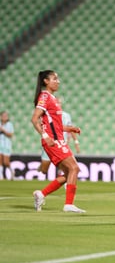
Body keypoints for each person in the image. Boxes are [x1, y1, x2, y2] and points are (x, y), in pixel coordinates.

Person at [31, 70, 85, 213]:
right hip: (53, 141)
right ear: (46, 82)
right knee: (74, 168)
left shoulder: (53, 99)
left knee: (70, 173)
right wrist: (45, 136)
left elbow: (56, 126)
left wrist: (70, 129)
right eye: (54, 79)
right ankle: (68, 204)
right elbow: (34, 119)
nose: (58, 81)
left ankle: (41, 194)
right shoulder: (44, 96)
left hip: (59, 139)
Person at [38, 97, 81, 175]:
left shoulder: (66, 115)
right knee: (44, 171)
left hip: (61, 144)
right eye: (56, 102)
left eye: (59, 102)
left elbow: (69, 128)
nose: (58, 104)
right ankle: (41, 166)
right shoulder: (47, 114)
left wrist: (76, 142)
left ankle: (66, 181)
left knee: (68, 168)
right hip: (50, 143)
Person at [0, 111, 15, 180]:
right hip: (0, 144)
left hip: (7, 145)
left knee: (6, 162)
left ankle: (12, 171)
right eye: (3, 116)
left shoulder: (9, 124)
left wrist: (3, 130)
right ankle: (1, 176)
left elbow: (11, 135)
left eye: (6, 116)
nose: (4, 117)